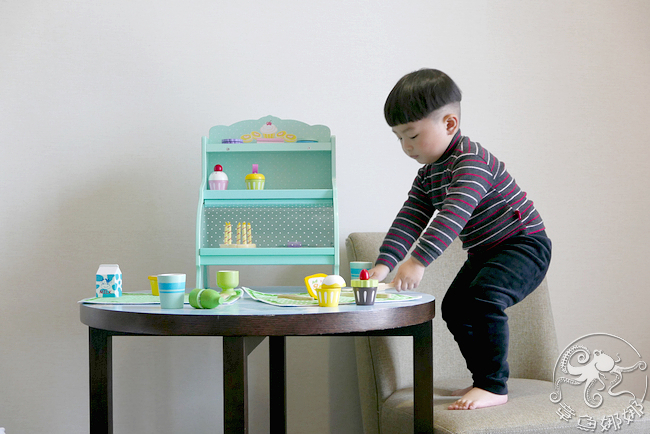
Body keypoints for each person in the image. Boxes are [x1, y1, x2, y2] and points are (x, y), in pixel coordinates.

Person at [367, 69, 552, 410]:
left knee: (484, 299)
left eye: (412, 135)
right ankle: (482, 379)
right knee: (454, 308)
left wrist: (417, 261)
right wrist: (383, 265)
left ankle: (493, 385)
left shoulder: (471, 162)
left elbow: (454, 214)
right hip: (485, 252)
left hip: (523, 244)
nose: (406, 147)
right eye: (399, 138)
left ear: (450, 124)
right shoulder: (428, 174)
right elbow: (410, 217)